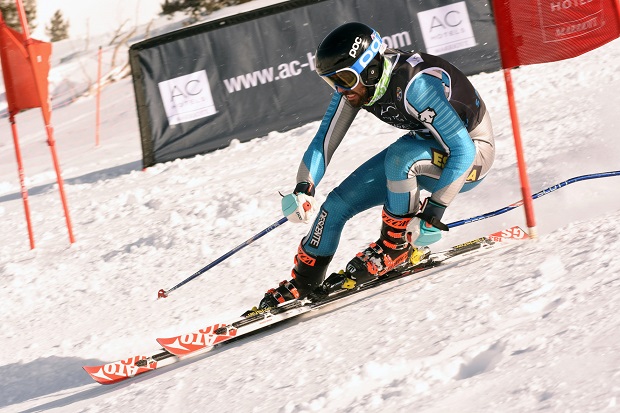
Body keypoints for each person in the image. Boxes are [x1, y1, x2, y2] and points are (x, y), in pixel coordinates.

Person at [251, 21, 495, 311]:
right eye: (331, 81)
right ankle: (305, 282)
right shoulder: (359, 87)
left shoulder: (416, 86)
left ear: (369, 67)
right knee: (335, 205)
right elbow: (323, 143)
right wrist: (304, 188)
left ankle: (395, 249)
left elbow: (463, 151)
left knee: (401, 157)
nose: (340, 89)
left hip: (471, 158)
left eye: (343, 78)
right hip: (425, 153)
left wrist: (432, 213)